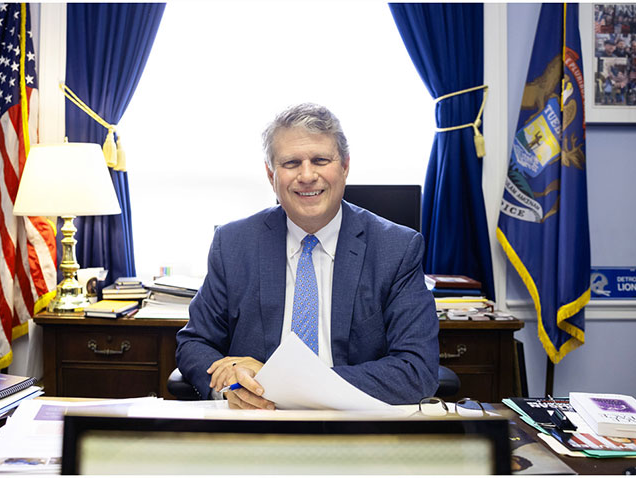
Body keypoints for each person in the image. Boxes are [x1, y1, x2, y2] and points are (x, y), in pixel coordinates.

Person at [175, 103, 439, 409]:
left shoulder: (396, 248)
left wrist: (290, 383)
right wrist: (231, 384)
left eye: (320, 160)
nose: (307, 175)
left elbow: (416, 371)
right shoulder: (234, 243)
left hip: (354, 421)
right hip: (257, 421)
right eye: (291, 163)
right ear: (270, 174)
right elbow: (195, 343)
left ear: (345, 166)